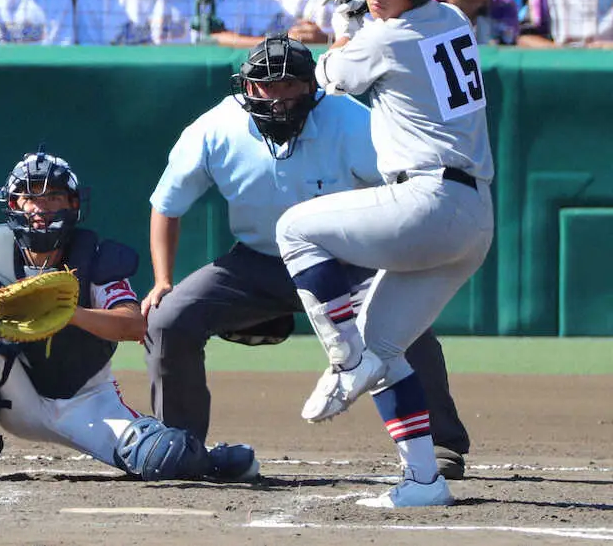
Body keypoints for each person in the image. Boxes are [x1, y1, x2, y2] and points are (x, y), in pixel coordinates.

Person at [141, 35, 473, 484]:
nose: (277, 98)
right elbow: (166, 205)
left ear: (312, 86)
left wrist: (397, 259)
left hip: (348, 258)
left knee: (406, 326)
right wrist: (162, 279)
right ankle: (180, 443)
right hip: (259, 263)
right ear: (247, 86)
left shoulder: (352, 121)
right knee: (167, 319)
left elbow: (403, 188)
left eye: (289, 85)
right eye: (266, 86)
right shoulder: (214, 129)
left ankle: (440, 442)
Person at [275, 0, 494, 507]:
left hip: (427, 202)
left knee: (294, 228)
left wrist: (347, 31)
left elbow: (330, 76)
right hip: (473, 219)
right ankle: (423, 479)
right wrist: (362, 28)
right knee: (385, 351)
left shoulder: (387, 39)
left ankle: (342, 358)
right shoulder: (454, 20)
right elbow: (378, 58)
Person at [0, 151, 259, 485]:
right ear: (12, 203)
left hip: (87, 400)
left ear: (72, 203)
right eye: (29, 196)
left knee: (163, 455)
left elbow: (134, 324)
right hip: (17, 392)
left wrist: (69, 313)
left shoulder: (94, 256)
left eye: (53, 196)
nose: (40, 208)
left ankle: (209, 458)